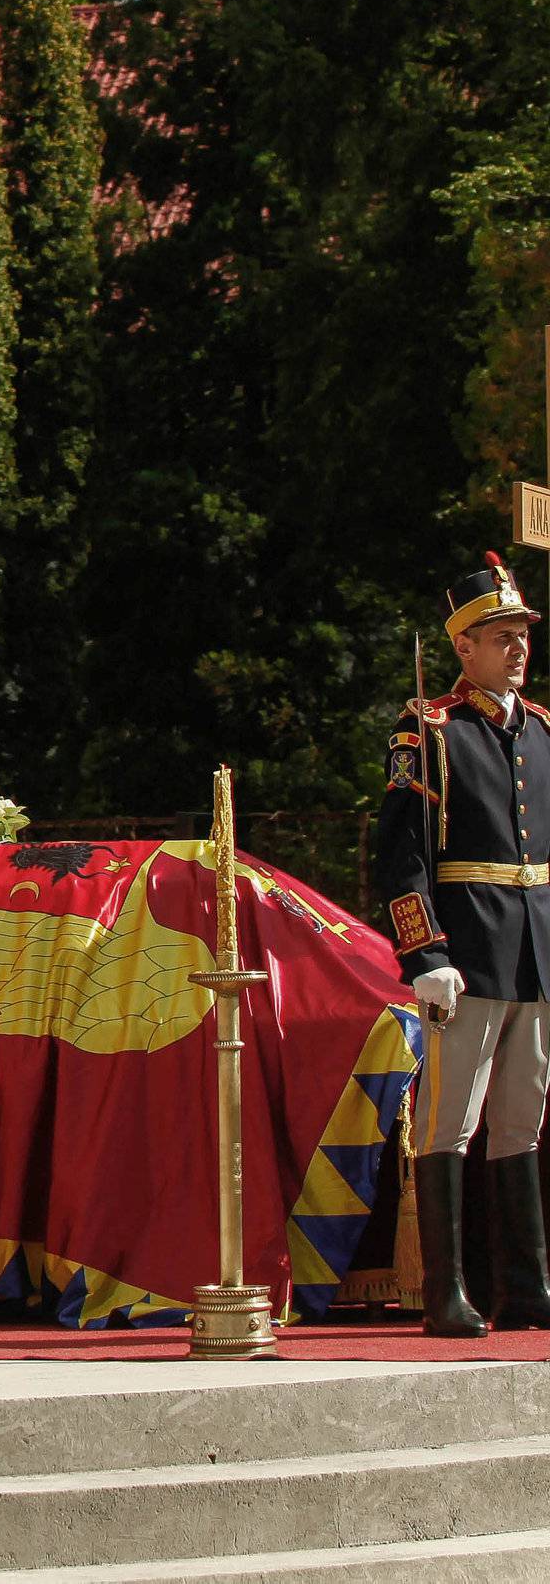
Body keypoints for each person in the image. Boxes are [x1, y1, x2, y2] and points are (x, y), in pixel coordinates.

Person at [378, 553, 550, 1336]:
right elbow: (402, 856)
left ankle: (527, 1284)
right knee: (451, 1121)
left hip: (537, 954)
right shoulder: (430, 730)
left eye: (521, 633)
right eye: (499, 634)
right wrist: (426, 954)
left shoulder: (544, 730)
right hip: (470, 949)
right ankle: (447, 1291)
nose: (517, 647)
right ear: (463, 647)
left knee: (521, 1121)